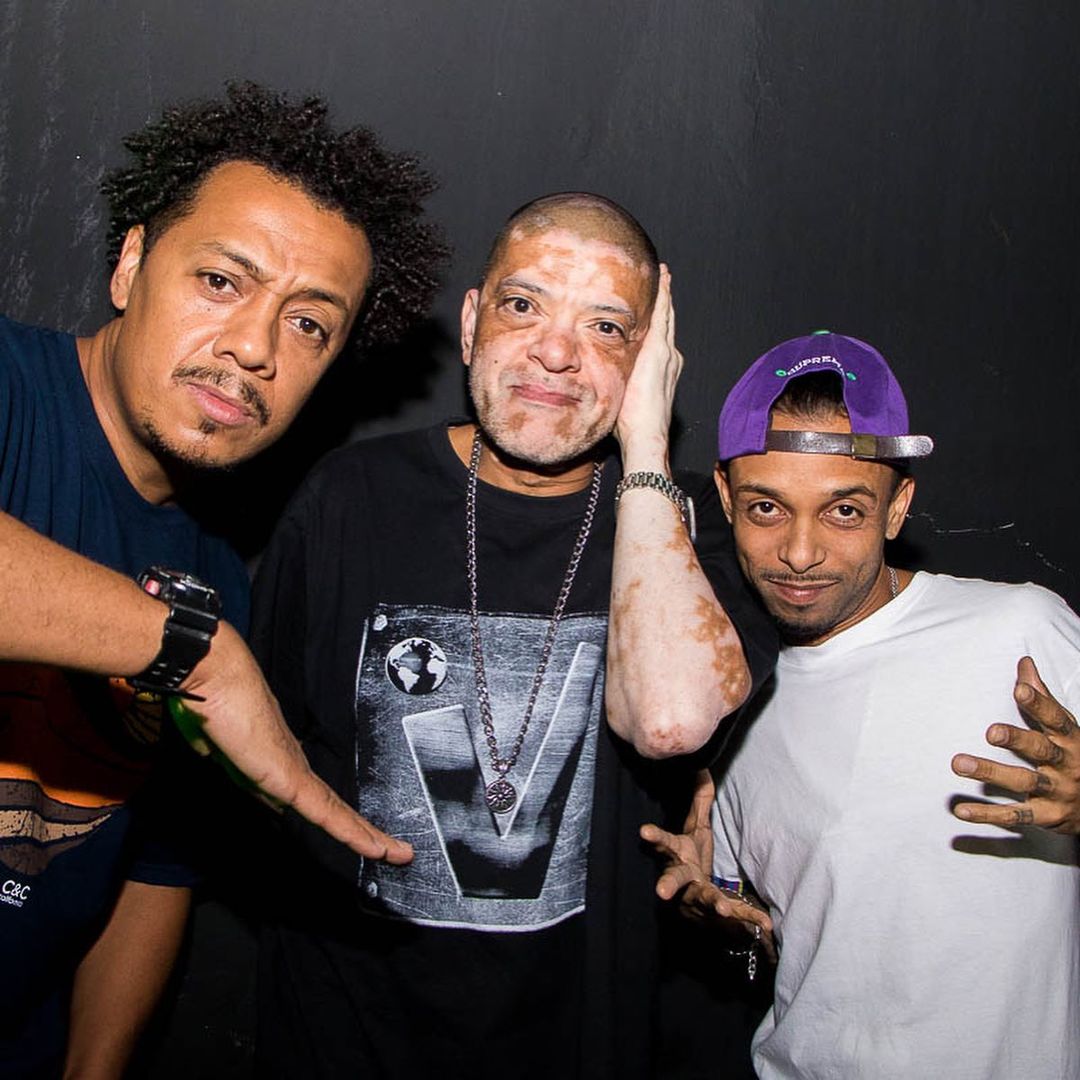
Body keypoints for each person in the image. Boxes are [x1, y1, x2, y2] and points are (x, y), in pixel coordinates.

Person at [249, 193, 778, 1077]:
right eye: (523, 305)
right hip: (346, 1041)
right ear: (471, 323)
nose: (557, 353)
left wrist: (647, 451)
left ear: (653, 358)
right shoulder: (349, 497)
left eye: (606, 328)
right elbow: (254, 756)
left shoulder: (692, 527)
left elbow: (671, 720)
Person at [0, 82, 445, 1077]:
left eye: (309, 325)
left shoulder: (213, 579)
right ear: (130, 264)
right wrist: (194, 655)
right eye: (219, 280)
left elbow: (152, 869)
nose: (254, 347)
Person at [645, 331, 1080, 1079]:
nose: (800, 553)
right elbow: (796, 942)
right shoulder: (720, 693)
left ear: (897, 505)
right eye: (766, 508)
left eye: (844, 510)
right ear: (724, 497)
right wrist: (722, 914)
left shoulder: (1021, 633)